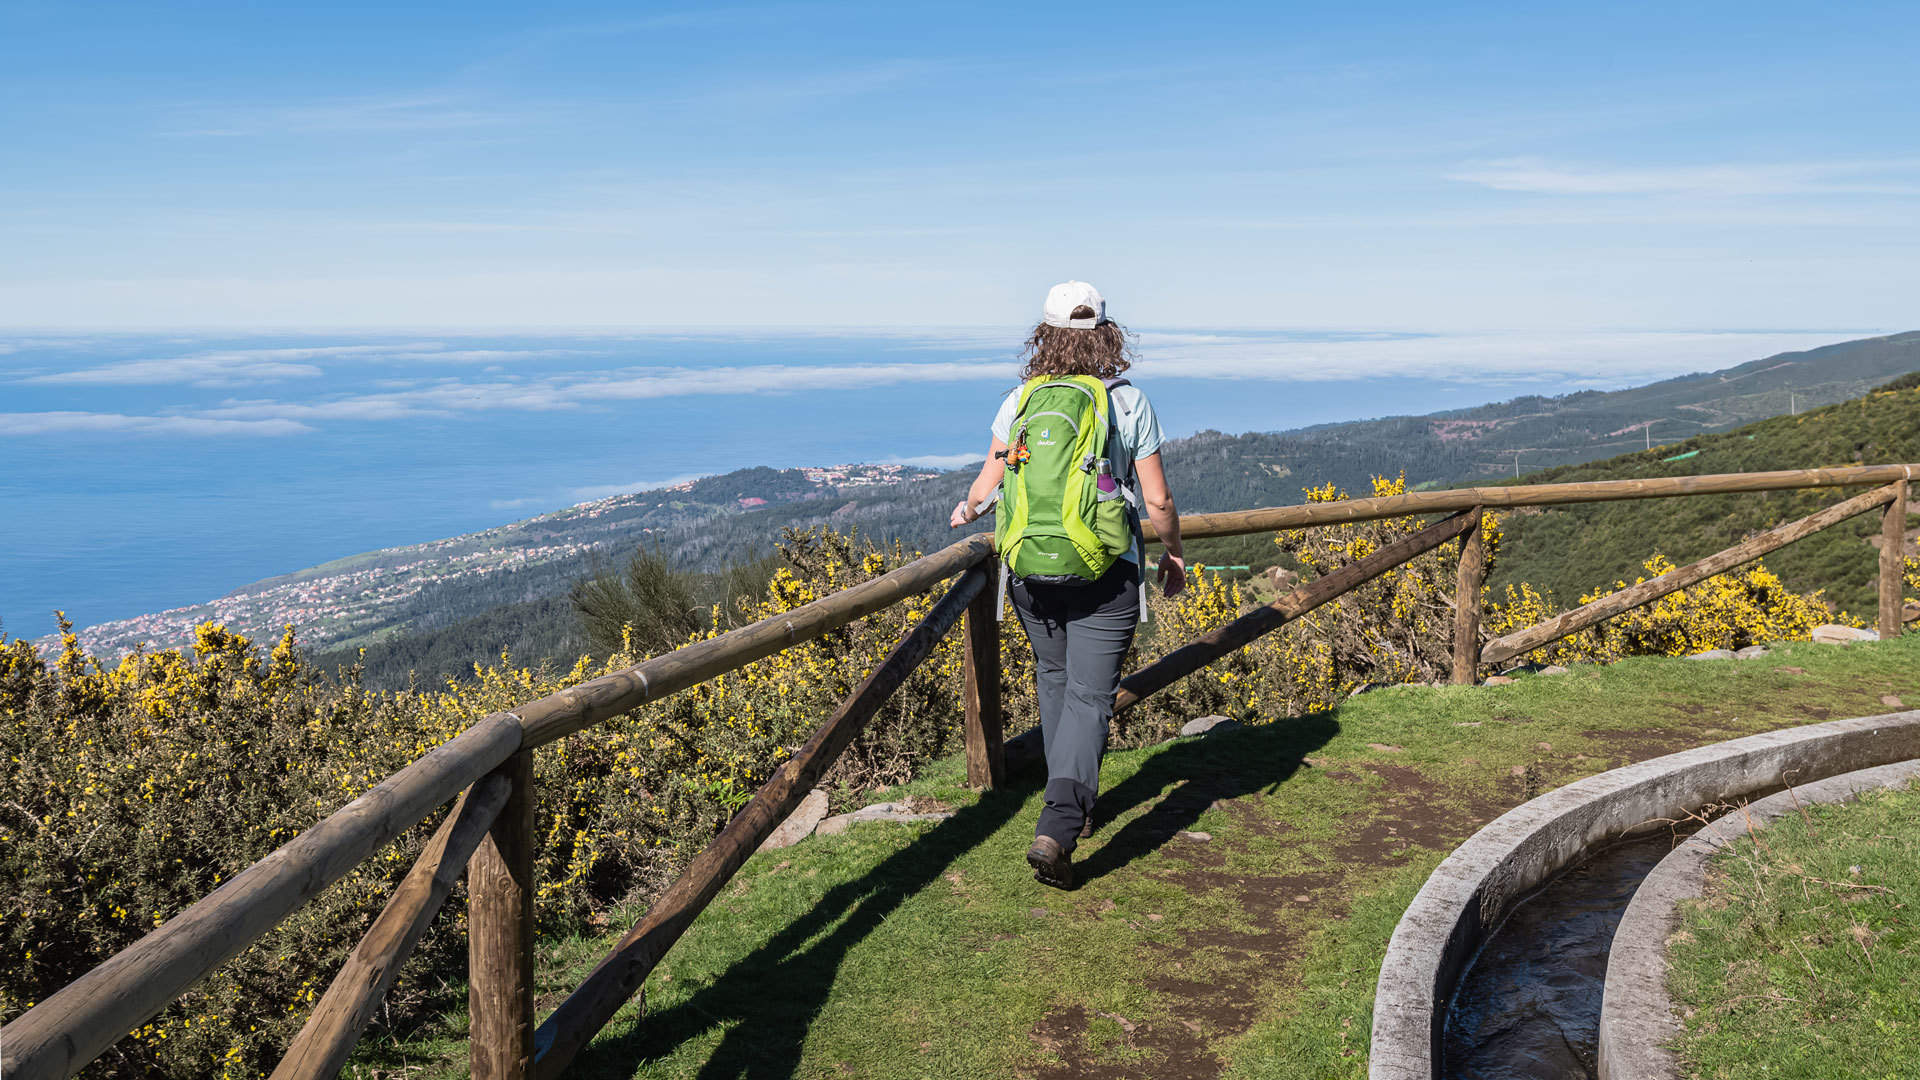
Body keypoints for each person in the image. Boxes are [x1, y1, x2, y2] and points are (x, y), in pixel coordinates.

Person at [949, 280, 1186, 889]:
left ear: (1044, 337)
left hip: (1028, 571)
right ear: (1107, 333)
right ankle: (1059, 822)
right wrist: (1174, 554)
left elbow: (987, 484)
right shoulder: (1127, 402)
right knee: (1090, 695)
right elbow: (1156, 499)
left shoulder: (1021, 402)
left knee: (1055, 681)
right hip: (1104, 570)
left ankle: (1067, 803)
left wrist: (969, 510)